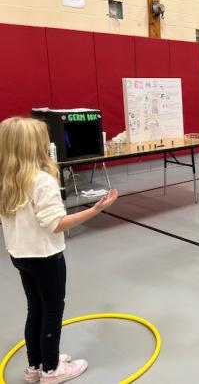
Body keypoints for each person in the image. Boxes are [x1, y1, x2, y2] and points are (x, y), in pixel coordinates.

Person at [0, 117, 118, 383]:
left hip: (19, 254)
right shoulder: (41, 181)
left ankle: (35, 366)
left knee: (35, 308)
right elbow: (56, 224)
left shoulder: (6, 178)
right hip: (45, 256)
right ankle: (52, 370)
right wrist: (95, 209)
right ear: (35, 146)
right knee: (52, 310)